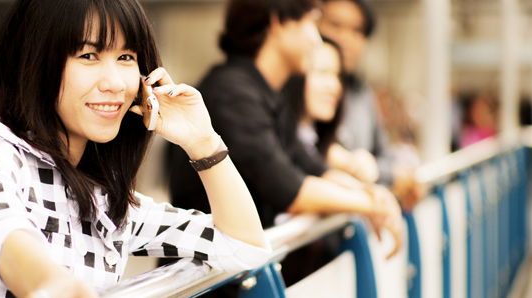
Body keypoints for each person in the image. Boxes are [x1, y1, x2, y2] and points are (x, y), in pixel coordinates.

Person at [0, 0, 271, 297]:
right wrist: (52, 285)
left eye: (125, 56)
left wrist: (202, 142)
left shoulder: (104, 197)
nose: (114, 83)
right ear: (34, 63)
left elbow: (246, 250)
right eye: (88, 55)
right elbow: (4, 233)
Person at [167, 0, 402, 259]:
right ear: (279, 22)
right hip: (209, 279)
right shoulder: (233, 92)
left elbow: (311, 165)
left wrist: (371, 194)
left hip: (237, 270)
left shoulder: (266, 92)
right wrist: (371, 204)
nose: (316, 40)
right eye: (311, 23)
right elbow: (288, 188)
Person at [319, 0, 423, 209]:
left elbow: (383, 154)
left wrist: (395, 171)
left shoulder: (363, 94)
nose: (345, 38)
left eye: (357, 30)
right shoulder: (300, 90)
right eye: (336, 25)